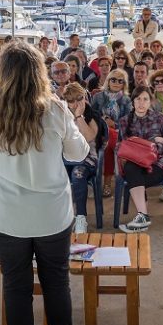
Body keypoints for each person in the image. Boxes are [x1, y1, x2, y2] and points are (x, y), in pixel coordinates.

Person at [0, 41, 86, 325]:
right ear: (40, 74)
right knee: (56, 282)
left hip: (6, 216)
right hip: (51, 214)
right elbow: (79, 154)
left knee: (16, 285)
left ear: (2, 75)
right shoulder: (56, 109)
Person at [117, 85, 163, 232]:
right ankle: (143, 216)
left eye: (145, 99)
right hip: (137, 162)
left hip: (159, 163)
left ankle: (142, 218)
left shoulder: (160, 118)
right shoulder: (125, 120)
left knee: (134, 179)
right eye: (138, 99)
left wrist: (157, 147)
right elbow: (123, 146)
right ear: (133, 102)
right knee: (131, 169)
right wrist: (151, 141)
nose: (141, 103)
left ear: (150, 102)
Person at [62, 82, 101, 234]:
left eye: (79, 98)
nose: (75, 103)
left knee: (77, 174)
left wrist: (79, 116)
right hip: (65, 158)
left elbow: (90, 136)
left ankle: (80, 218)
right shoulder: (61, 116)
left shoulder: (92, 114)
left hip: (86, 159)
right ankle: (58, 217)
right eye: (71, 100)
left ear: (84, 97)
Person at [91, 69, 132, 198]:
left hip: (119, 132)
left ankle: (108, 182)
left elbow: (128, 122)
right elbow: (91, 116)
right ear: (108, 81)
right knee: (109, 141)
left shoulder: (126, 100)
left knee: (110, 144)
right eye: (113, 79)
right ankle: (118, 177)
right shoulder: (98, 97)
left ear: (123, 84)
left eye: (120, 81)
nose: (116, 83)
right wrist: (104, 121)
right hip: (100, 131)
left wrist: (114, 124)